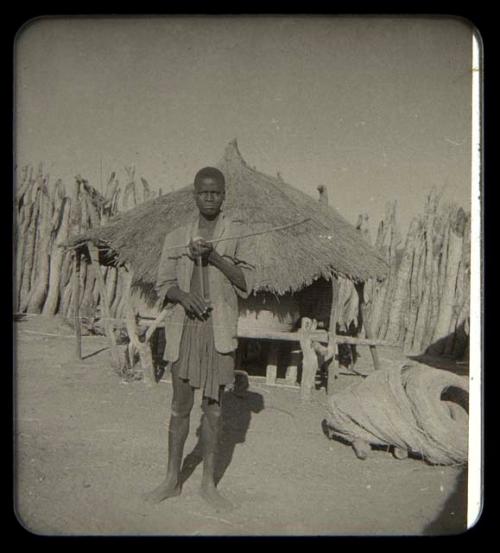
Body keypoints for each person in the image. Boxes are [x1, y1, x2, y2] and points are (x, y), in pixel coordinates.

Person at [145, 166, 254, 511]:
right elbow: (163, 284)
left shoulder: (237, 234)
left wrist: (216, 257)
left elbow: (247, 283)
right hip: (184, 329)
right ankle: (171, 480)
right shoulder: (176, 237)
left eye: (215, 192)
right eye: (203, 192)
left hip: (218, 330)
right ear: (194, 195)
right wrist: (183, 296)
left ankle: (208, 484)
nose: (209, 198)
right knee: (180, 406)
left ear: (224, 196)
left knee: (214, 410)